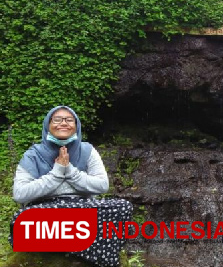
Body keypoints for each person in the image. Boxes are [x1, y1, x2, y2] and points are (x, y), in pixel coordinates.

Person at [10, 105, 132, 267]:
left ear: (76, 126)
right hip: (46, 211)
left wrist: (70, 171)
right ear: (48, 125)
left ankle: (65, 246)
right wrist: (57, 172)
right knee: (22, 219)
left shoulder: (87, 150)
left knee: (123, 207)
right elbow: (20, 194)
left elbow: (102, 185)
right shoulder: (33, 154)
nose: (63, 123)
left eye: (69, 120)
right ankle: (90, 247)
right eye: (57, 120)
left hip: (82, 210)